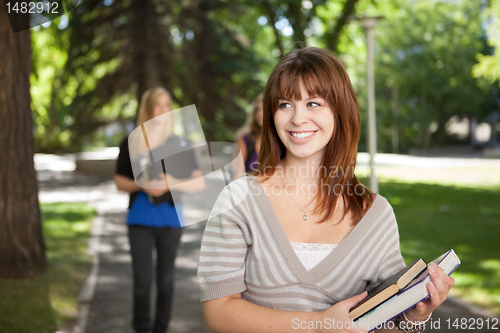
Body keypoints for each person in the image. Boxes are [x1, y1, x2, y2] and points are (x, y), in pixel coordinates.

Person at [197, 48, 454, 333]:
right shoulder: (237, 200)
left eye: (313, 103)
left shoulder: (376, 214)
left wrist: (414, 316)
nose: (297, 118)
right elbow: (218, 314)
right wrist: (317, 324)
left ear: (339, 110)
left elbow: (383, 323)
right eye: (285, 104)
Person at [115, 87, 205, 333]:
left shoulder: (179, 143)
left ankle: (160, 328)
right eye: (159, 105)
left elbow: (200, 183)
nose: (164, 110)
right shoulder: (131, 141)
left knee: (165, 282)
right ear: (148, 108)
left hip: (170, 220)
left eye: (168, 105)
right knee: (142, 282)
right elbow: (119, 182)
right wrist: (140, 185)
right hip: (139, 219)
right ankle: (141, 328)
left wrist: (170, 182)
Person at [233, 93, 263, 179]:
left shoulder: (282, 141)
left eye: (264, 109)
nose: (260, 114)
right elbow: (238, 174)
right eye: (257, 110)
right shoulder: (246, 140)